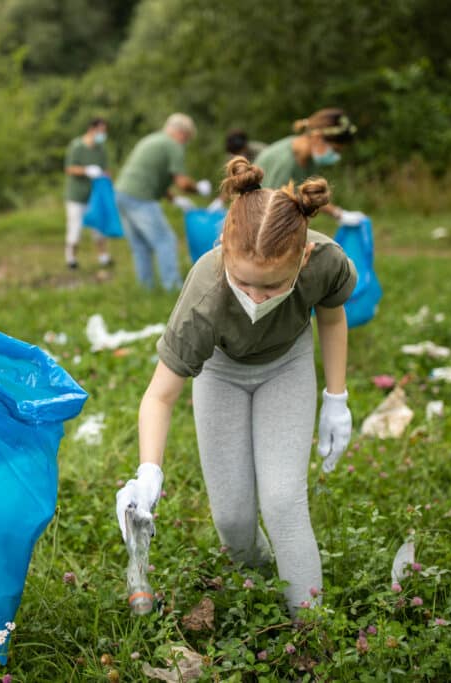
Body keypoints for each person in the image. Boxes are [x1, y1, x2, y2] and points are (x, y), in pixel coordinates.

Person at [115, 157, 357, 616]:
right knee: (232, 520)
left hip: (286, 366)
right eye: (244, 282)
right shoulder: (205, 292)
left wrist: (336, 398)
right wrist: (149, 472)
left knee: (284, 501)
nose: (255, 297)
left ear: (302, 259)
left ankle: (311, 626)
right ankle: (263, 580)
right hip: (221, 374)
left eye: (271, 286)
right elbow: (160, 394)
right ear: (225, 245)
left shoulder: (323, 260)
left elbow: (331, 314)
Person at [114, 113, 212, 291]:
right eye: (187, 138)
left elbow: (152, 176)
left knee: (141, 245)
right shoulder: (173, 145)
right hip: (140, 197)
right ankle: (173, 286)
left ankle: (146, 287)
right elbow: (182, 182)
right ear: (182, 133)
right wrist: (198, 188)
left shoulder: (152, 140)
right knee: (165, 240)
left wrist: (174, 199)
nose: (185, 142)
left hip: (121, 193)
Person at [254, 108, 365, 225]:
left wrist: (339, 214)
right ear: (317, 137)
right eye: (335, 150)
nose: (337, 156)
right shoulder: (285, 162)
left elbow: (307, 196)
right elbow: (271, 210)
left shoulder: (308, 159)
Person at [63, 118, 112, 270]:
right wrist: (86, 170)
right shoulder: (77, 146)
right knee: (75, 228)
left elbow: (106, 171)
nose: (103, 134)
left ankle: (103, 257)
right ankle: (71, 259)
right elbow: (69, 168)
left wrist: (104, 176)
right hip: (76, 196)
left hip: (95, 196)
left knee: (98, 228)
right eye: (101, 131)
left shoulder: (100, 149)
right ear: (92, 129)